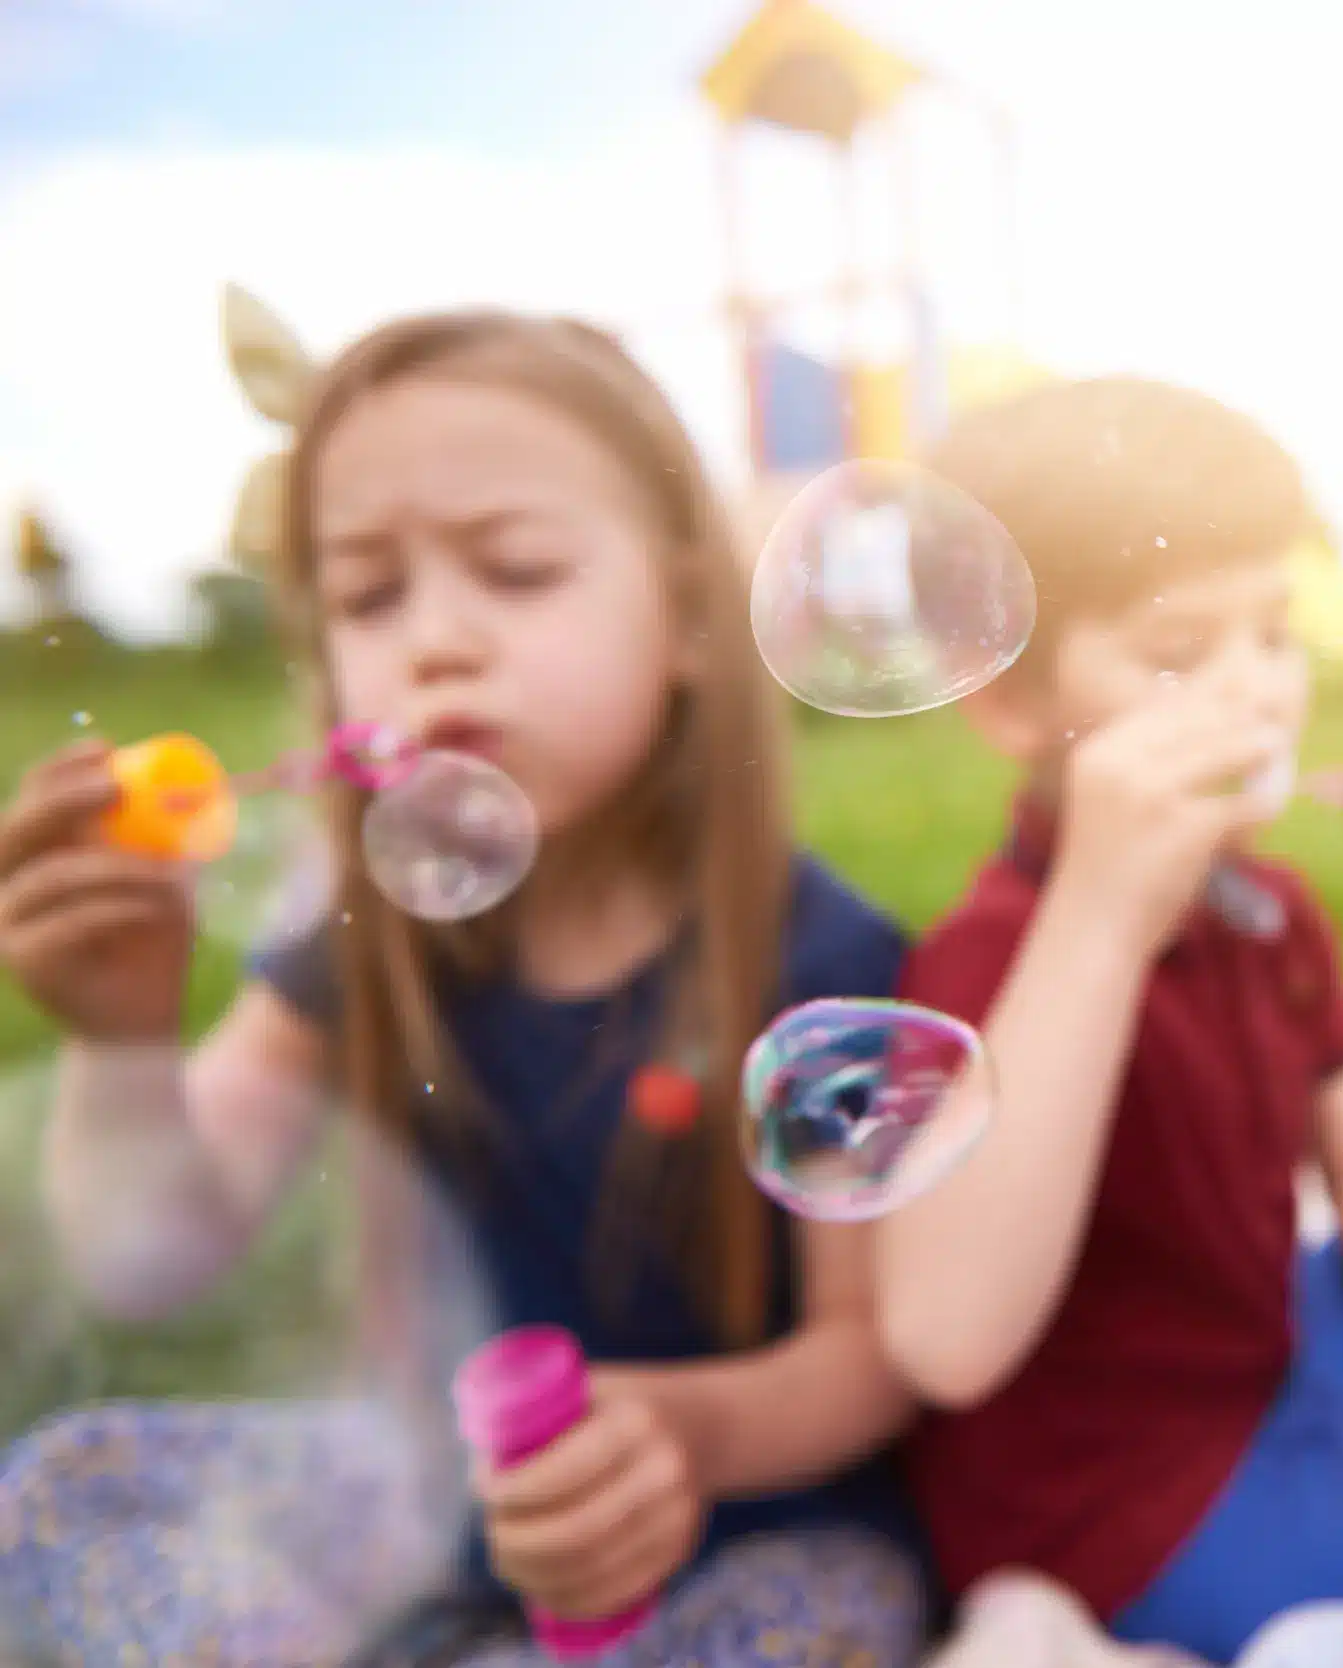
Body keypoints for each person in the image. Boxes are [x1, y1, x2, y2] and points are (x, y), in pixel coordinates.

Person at [0, 312, 926, 1668]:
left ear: (683, 619)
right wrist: (124, 1040)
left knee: (836, 1611)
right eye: (370, 597)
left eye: (516, 569)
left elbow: (869, 1356)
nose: (435, 641)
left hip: (734, 1523)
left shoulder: (817, 959)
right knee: (61, 1488)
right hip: (429, 1499)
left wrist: (683, 1436)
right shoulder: (367, 940)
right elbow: (150, 1253)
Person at [875, 377, 1343, 1666]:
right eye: (1181, 651)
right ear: (1008, 702)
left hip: (1280, 1346)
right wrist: (1101, 910)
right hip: (1125, 1489)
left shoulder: (1271, 909)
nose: (1258, 692)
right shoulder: (990, 959)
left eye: (1273, 634)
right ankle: (1038, 1629)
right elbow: (943, 1342)